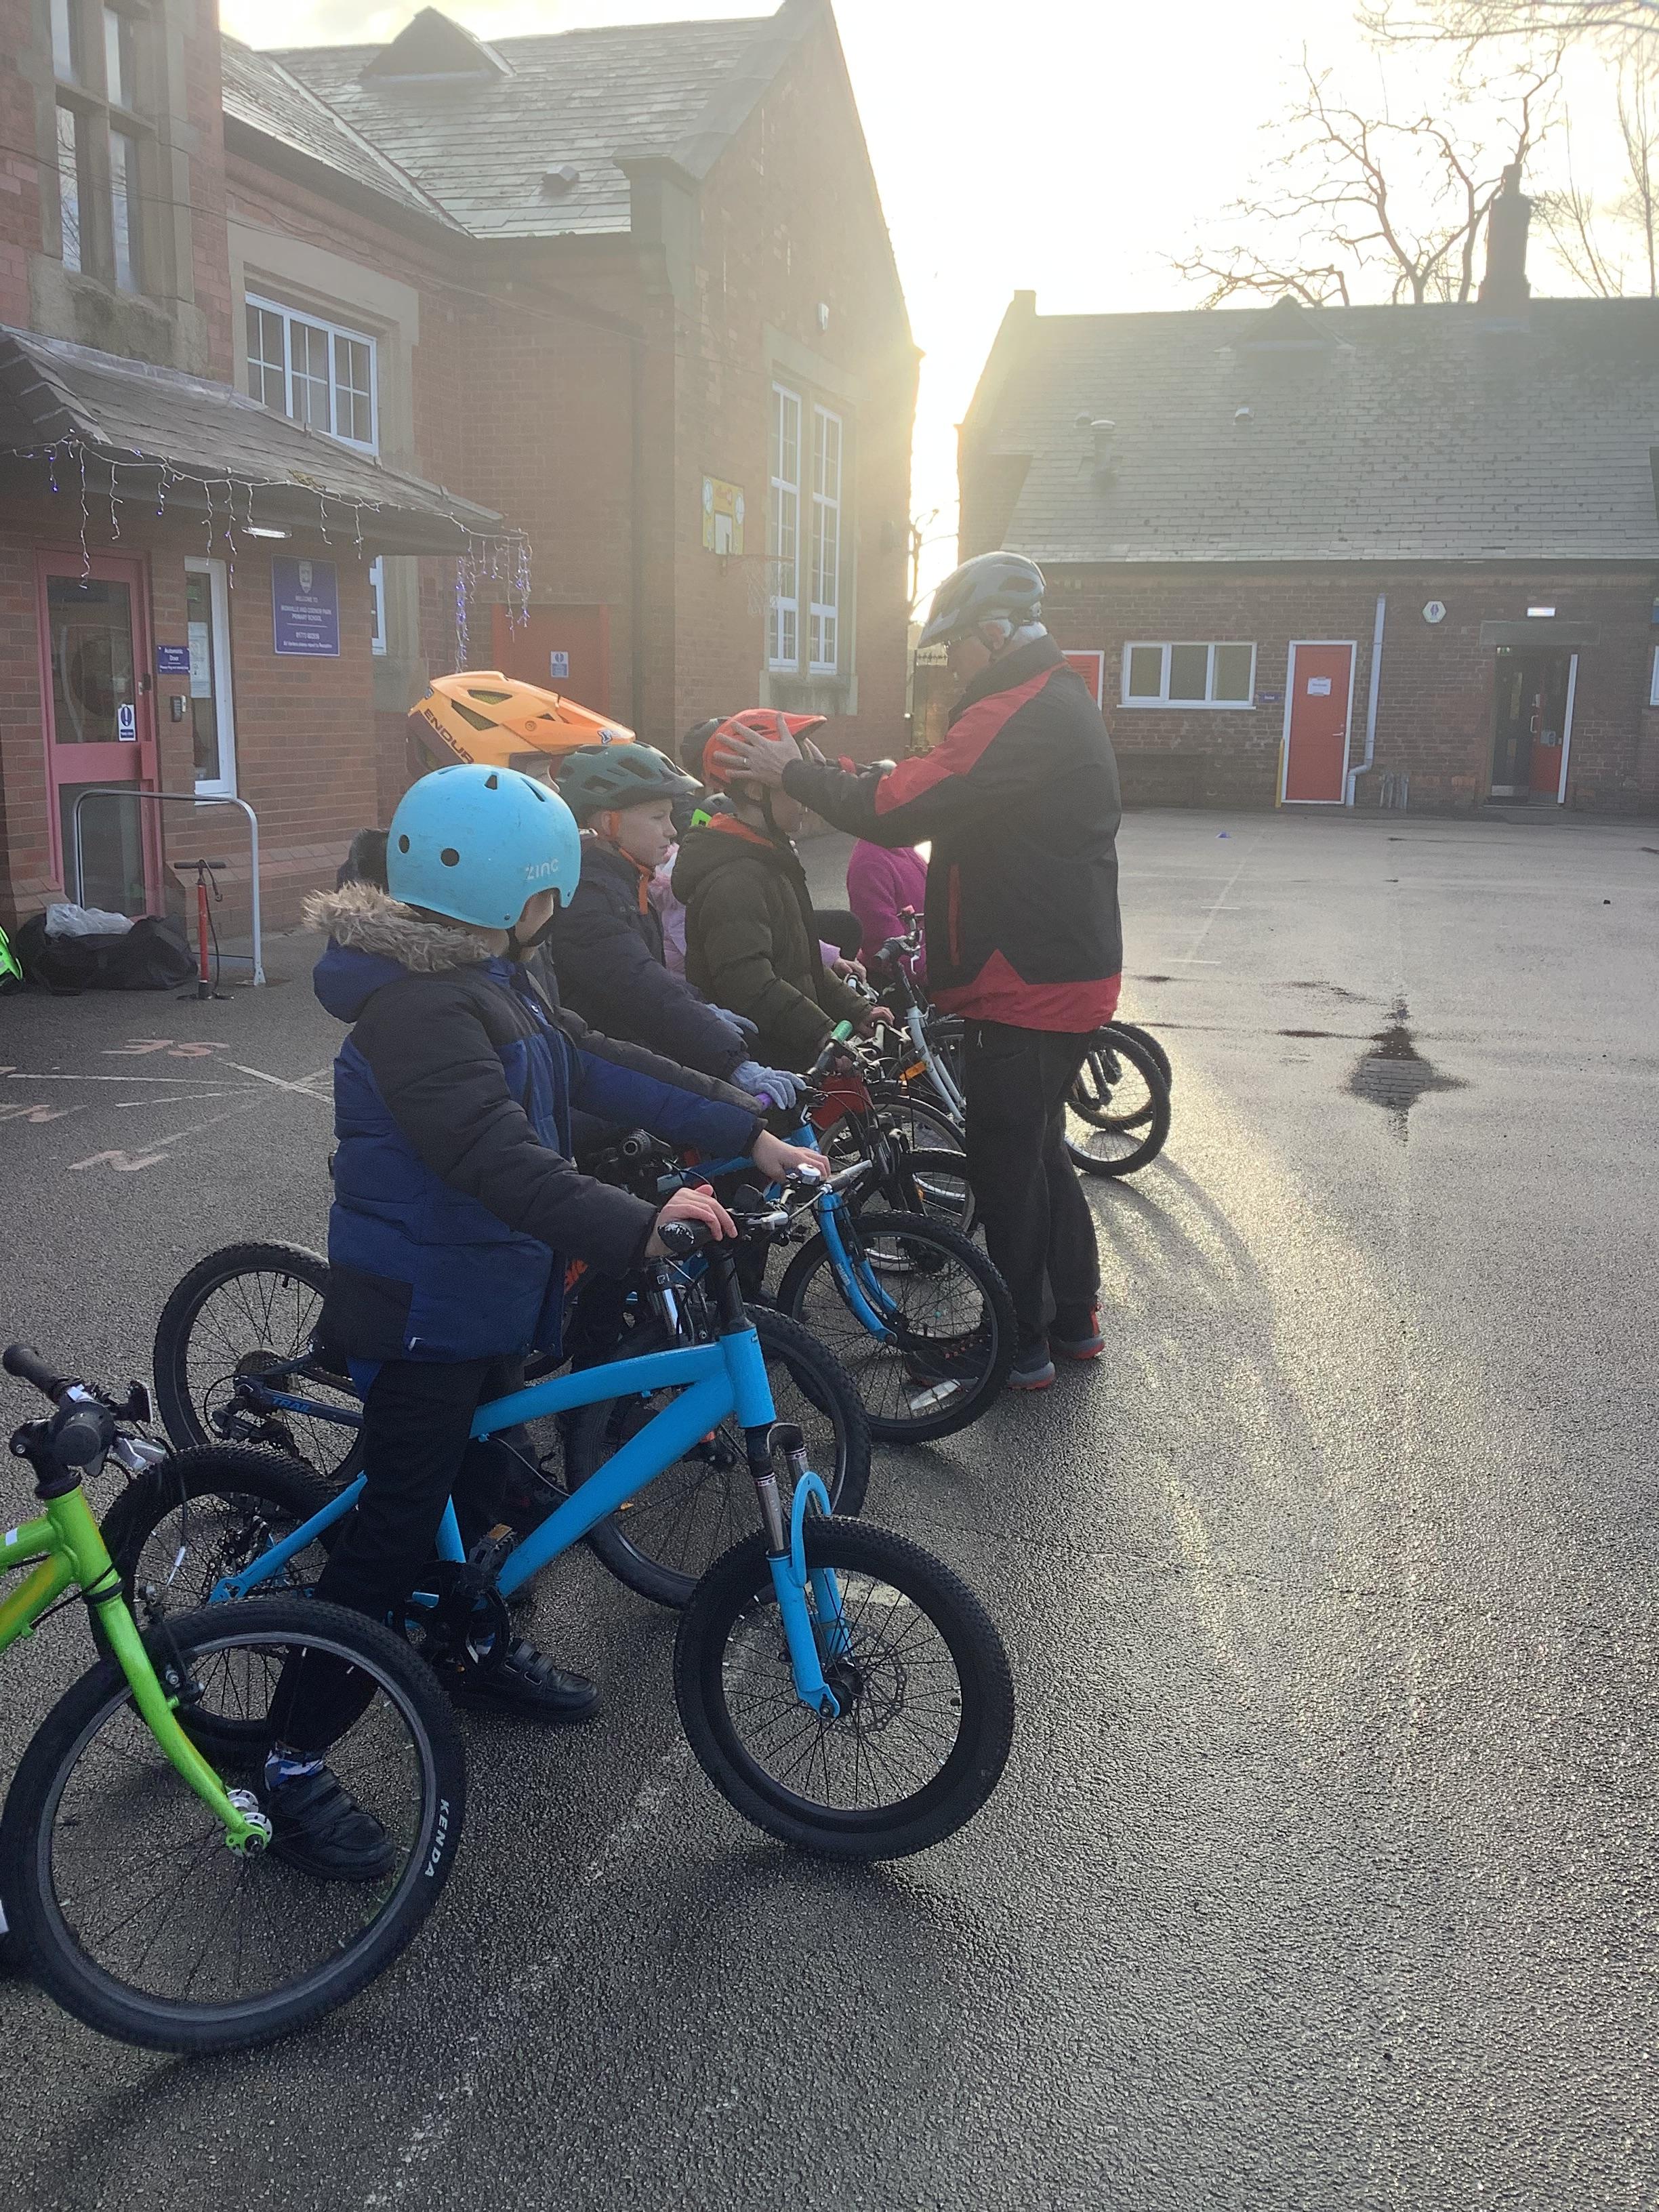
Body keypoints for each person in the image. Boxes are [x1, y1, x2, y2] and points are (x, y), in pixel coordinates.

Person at [268, 762, 827, 1877]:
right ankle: (285, 1761)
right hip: (421, 1311)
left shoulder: (492, 975)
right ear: (518, 897)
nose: (555, 911)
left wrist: (743, 1127)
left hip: (481, 1297)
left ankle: (467, 1647)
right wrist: (641, 1223)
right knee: (391, 1536)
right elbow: (495, 1157)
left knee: (494, 1484)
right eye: (549, 894)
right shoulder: (418, 1009)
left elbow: (594, 1063)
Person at [711, 552, 1122, 1392]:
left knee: (1007, 1169)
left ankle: (1016, 1346)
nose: (951, 665)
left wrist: (793, 772)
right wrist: (845, 774)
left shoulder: (1020, 706)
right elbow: (923, 782)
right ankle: (1071, 1320)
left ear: (994, 633)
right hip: (1060, 972)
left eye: (955, 647)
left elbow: (899, 809)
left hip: (1025, 980)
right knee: (1040, 1153)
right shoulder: (1048, 699)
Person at [546, 743, 800, 1109]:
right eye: (657, 817)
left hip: (633, 1056)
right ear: (607, 824)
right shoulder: (588, 899)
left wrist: (703, 1008)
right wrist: (733, 1062)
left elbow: (658, 980)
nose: (671, 830)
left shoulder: (626, 883)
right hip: (600, 1081)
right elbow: (641, 987)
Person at [672, 712, 882, 1073]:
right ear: (757, 791)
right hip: (766, 1063)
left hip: (790, 1049)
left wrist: (856, 1009)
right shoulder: (736, 878)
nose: (806, 802)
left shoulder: (769, 858)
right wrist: (822, 1032)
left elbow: (802, 964)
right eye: (793, 788)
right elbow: (748, 982)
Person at [846, 838, 928, 987]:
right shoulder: (869, 864)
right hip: (907, 982)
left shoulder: (901, 847)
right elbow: (882, 944)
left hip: (933, 963)